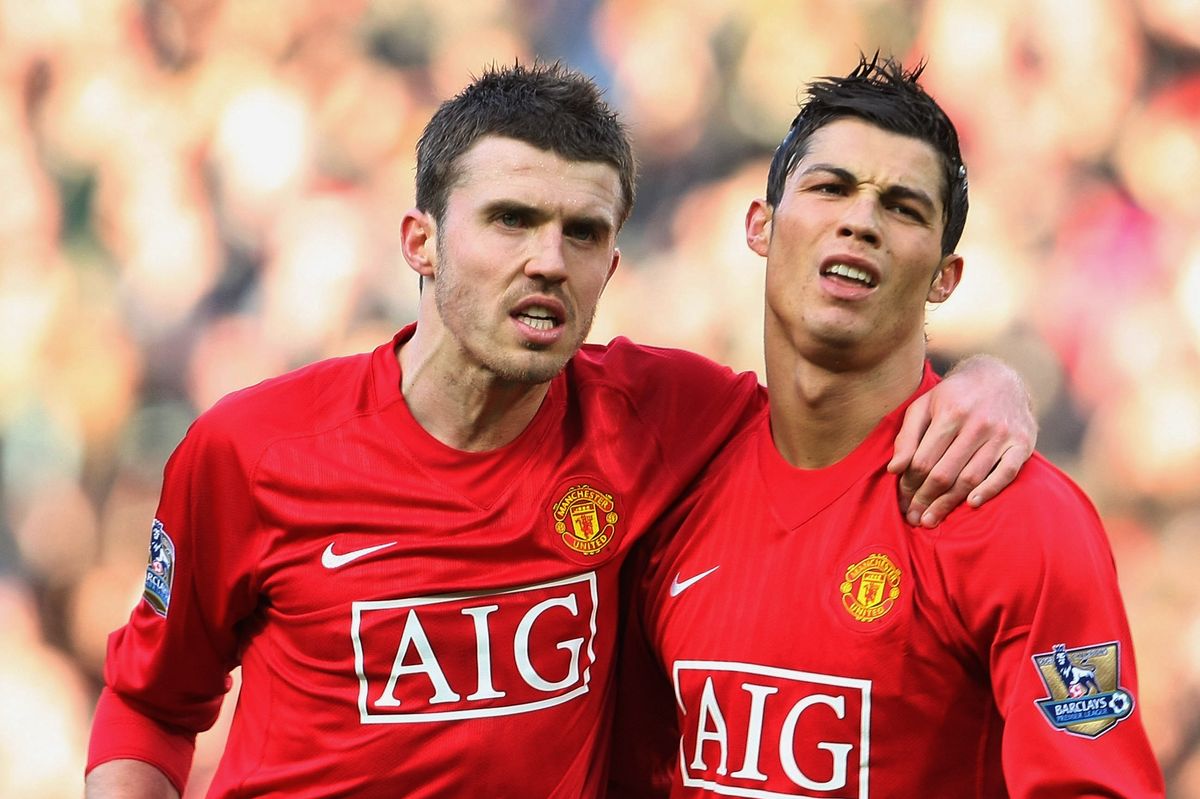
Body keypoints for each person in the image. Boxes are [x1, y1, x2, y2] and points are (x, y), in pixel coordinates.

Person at [85, 62, 1037, 798]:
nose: (547, 259)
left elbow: (836, 406)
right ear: (420, 240)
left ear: (612, 265)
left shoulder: (660, 421)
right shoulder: (251, 452)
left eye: (581, 233)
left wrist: (991, 384)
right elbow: (147, 704)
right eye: (509, 219)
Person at [608, 54, 1165, 798]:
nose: (860, 219)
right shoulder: (677, 473)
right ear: (760, 226)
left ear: (946, 276)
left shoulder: (1022, 517)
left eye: (902, 207)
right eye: (830, 187)